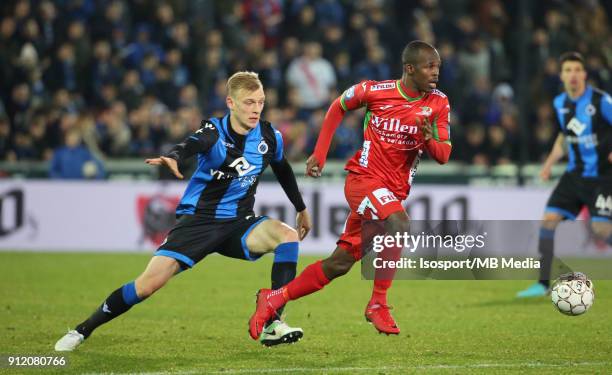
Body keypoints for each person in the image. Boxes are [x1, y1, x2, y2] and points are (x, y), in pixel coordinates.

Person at [55, 71, 313, 350]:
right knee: (146, 286)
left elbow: (283, 168)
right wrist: (173, 156)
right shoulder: (214, 132)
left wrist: (301, 208)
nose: (255, 109)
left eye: (260, 102)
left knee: (287, 236)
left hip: (239, 223)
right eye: (248, 102)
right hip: (198, 223)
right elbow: (192, 144)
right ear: (231, 102)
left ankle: (273, 322)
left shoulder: (268, 136)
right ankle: (83, 330)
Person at [249, 40, 451, 338]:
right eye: (429, 67)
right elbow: (337, 107)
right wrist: (320, 152)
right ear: (409, 68)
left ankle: (273, 298)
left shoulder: (438, 103)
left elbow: (443, 154)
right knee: (400, 222)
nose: (435, 73)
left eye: (438, 67)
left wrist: (427, 139)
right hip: (364, 180)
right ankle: (378, 304)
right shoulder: (375, 91)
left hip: (392, 192)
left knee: (338, 264)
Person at [517, 52, 612, 298]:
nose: (572, 74)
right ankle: (543, 283)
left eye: (577, 70)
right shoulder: (560, 103)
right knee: (548, 221)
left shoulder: (601, 101)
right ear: (562, 75)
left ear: (584, 75)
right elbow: (564, 136)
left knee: (602, 232)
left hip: (602, 177)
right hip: (573, 176)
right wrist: (549, 163)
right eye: (567, 70)